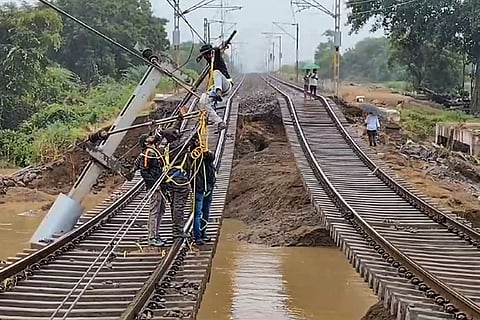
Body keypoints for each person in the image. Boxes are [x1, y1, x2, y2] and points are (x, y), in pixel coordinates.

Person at [155, 111, 192, 240]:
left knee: (174, 204)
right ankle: (177, 231)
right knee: (179, 205)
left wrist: (180, 118)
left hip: (169, 178)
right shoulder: (179, 146)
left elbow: (173, 131)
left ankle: (176, 229)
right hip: (180, 179)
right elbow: (191, 137)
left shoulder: (165, 147)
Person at [133, 134, 166, 247]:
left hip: (160, 185)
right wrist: (153, 184)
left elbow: (160, 136)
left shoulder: (154, 150)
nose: (151, 137)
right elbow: (144, 171)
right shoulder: (148, 153)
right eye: (148, 137)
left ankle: (156, 234)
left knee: (161, 210)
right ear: (146, 142)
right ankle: (152, 237)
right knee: (154, 211)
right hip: (155, 186)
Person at [198, 43, 232, 132]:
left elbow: (217, 49)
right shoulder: (209, 60)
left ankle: (218, 92)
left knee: (216, 72)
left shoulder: (216, 56)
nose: (206, 56)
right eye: (205, 55)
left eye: (207, 54)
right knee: (203, 100)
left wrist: (213, 50)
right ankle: (220, 122)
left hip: (226, 85)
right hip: (215, 87)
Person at [190, 134, 216, 245]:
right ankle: (197, 236)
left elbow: (211, 158)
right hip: (199, 188)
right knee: (197, 213)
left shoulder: (206, 153)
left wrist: (205, 151)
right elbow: (191, 163)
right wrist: (197, 151)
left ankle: (203, 232)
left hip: (208, 187)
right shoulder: (192, 155)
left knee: (206, 212)